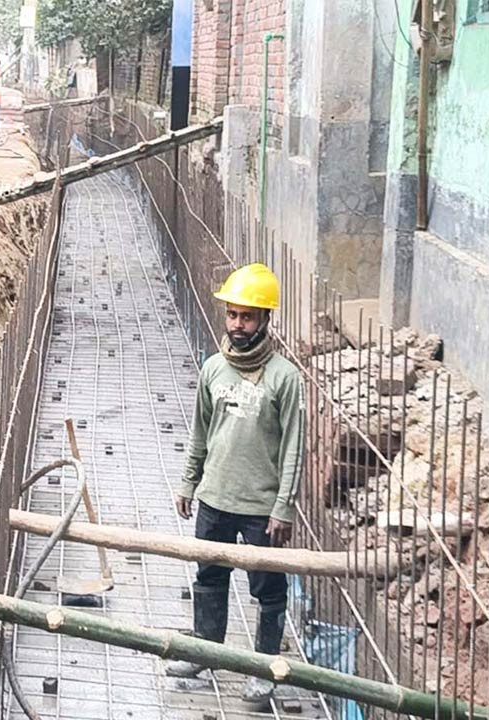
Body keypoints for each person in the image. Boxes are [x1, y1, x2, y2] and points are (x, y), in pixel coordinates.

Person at [168, 263, 304, 705]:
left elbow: (293, 448)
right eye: (232, 315)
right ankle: (205, 653)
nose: (238, 325)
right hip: (214, 498)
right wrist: (189, 483)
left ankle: (265, 669)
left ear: (266, 319)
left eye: (247, 316)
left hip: (260, 506)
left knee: (267, 588)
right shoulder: (213, 369)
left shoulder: (284, 377)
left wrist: (283, 506)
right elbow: (200, 433)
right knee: (209, 577)